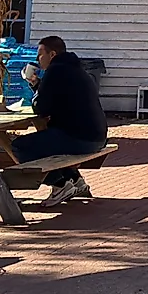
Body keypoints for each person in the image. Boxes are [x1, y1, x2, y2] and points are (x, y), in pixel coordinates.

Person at [11, 33, 107, 203]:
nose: (37, 59)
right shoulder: (75, 69)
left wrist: (35, 88)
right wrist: (37, 84)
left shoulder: (55, 71)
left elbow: (41, 107)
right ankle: (76, 181)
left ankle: (60, 184)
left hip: (79, 138)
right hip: (96, 137)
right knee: (49, 141)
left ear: (52, 54)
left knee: (20, 146)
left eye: (40, 54)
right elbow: (57, 98)